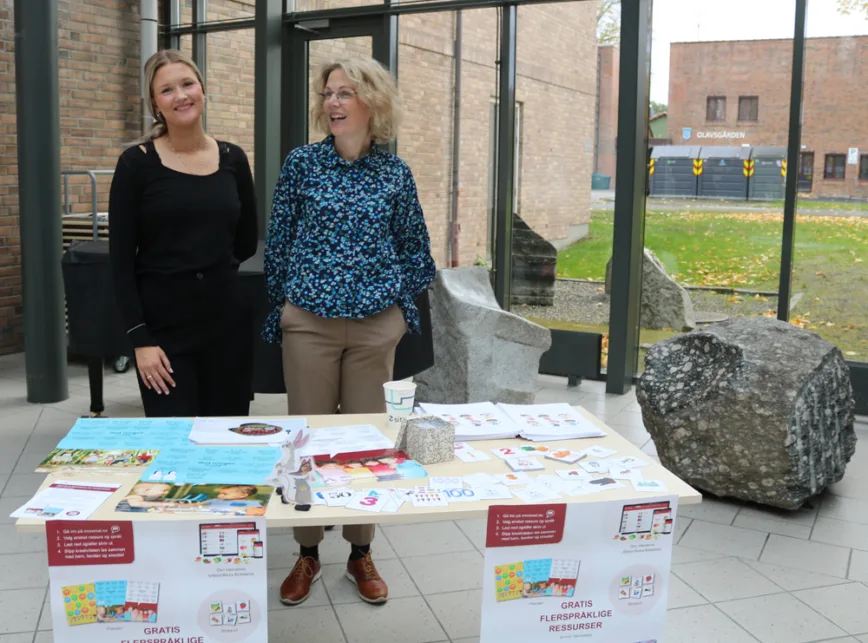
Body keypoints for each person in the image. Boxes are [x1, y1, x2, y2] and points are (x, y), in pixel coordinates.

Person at [263, 56, 436, 606]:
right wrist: (285, 307)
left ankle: (361, 553)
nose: (333, 103)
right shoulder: (302, 165)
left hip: (372, 329)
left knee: (368, 447)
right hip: (309, 324)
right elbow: (279, 243)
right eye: (328, 93)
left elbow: (416, 251)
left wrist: (397, 311)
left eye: (345, 93)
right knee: (306, 442)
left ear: (372, 103)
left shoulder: (394, 173)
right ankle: (307, 551)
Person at [109, 49, 257, 418]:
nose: (181, 96)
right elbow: (121, 264)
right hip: (163, 333)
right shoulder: (136, 164)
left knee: (228, 441)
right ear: (156, 105)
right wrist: (140, 341)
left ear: (203, 89)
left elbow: (246, 238)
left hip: (226, 326)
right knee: (174, 445)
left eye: (188, 83)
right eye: (167, 90)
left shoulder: (233, 159)